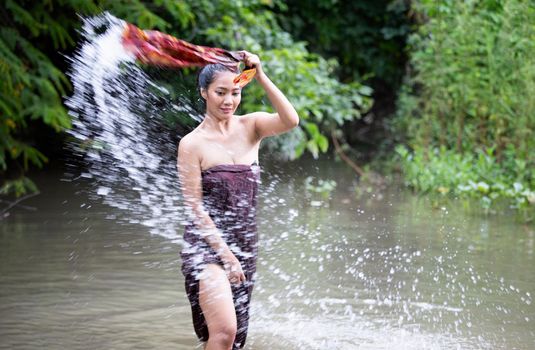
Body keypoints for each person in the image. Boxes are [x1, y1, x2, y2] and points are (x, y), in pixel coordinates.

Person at [177, 51, 299, 350]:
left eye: (235, 92)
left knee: (232, 340)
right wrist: (226, 256)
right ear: (204, 92)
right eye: (220, 92)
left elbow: (291, 120)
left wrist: (261, 73)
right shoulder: (191, 144)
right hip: (206, 246)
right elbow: (194, 207)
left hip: (244, 243)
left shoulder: (251, 127)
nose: (228, 100)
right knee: (224, 332)